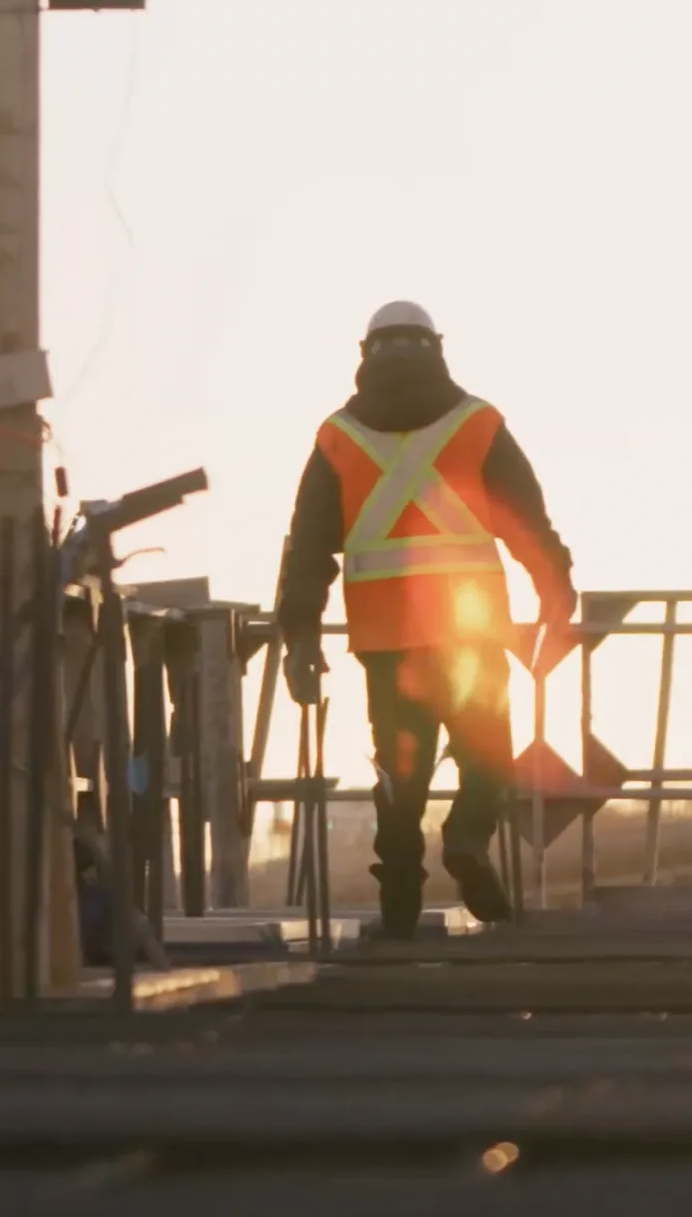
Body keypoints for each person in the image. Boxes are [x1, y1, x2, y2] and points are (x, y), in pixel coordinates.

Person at [274, 301, 578, 938]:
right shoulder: (477, 424)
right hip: (471, 631)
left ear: (366, 355)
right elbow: (526, 520)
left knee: (400, 769)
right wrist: (555, 591)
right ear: (436, 348)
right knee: (487, 752)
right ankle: (467, 837)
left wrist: (300, 638)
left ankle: (400, 895)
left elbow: (306, 550)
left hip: (386, 639)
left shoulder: (338, 438)